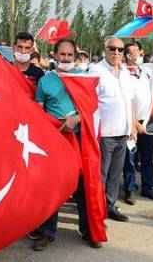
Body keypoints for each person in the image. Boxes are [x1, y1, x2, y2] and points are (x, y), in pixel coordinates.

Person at [32, 38, 100, 250]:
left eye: (70, 55)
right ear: (54, 55)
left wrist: (76, 120)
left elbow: (90, 108)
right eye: (62, 54)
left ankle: (88, 231)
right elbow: (38, 110)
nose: (66, 58)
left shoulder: (84, 79)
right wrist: (54, 127)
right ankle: (47, 232)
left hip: (80, 139)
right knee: (53, 186)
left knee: (82, 185)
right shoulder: (46, 80)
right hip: (55, 139)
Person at [89, 37, 137, 222]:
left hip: (122, 133)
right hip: (104, 134)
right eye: (112, 48)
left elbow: (130, 100)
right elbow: (90, 103)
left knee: (115, 175)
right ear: (105, 49)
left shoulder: (125, 72)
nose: (116, 52)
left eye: (120, 49)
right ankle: (96, 211)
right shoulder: (96, 71)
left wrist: (132, 124)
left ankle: (111, 206)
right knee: (100, 175)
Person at [121, 41, 153, 204]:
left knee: (147, 158)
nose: (136, 55)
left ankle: (147, 187)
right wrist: (135, 124)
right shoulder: (123, 73)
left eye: (138, 51)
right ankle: (129, 189)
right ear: (127, 56)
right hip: (131, 123)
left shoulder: (146, 70)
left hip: (147, 123)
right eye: (131, 52)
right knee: (130, 159)